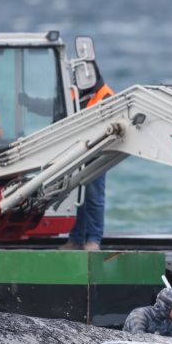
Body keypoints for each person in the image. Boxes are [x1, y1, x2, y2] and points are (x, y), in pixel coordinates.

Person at [60, 61, 115, 251]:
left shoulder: (105, 95)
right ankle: (76, 239)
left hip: (98, 153)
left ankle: (94, 240)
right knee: (78, 198)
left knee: (94, 198)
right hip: (79, 152)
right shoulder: (76, 94)